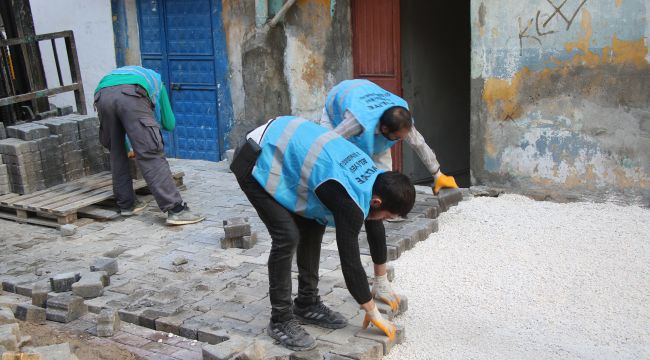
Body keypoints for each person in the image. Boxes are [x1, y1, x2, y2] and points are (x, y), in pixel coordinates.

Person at [231, 116, 415, 351]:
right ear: (378, 201)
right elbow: (351, 262)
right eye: (388, 216)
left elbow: (375, 228)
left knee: (313, 222)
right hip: (255, 158)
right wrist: (372, 311)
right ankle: (280, 320)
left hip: (282, 144)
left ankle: (307, 303)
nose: (384, 221)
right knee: (287, 236)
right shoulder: (350, 201)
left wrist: (381, 282)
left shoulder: (374, 179)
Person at [320, 79, 459, 310]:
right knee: (365, 200)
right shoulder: (353, 122)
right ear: (384, 130)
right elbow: (328, 145)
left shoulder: (401, 118)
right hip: (336, 119)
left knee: (380, 201)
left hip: (370, 122)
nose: (399, 142)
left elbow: (419, 143)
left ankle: (381, 281)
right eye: (396, 139)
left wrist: (437, 172)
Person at [94, 65, 205, 225]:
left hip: (101, 95)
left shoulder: (121, 76)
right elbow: (169, 123)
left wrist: (130, 145)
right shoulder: (158, 83)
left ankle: (127, 205)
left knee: (116, 153)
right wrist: (148, 132)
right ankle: (176, 210)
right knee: (150, 152)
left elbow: (121, 132)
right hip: (131, 94)